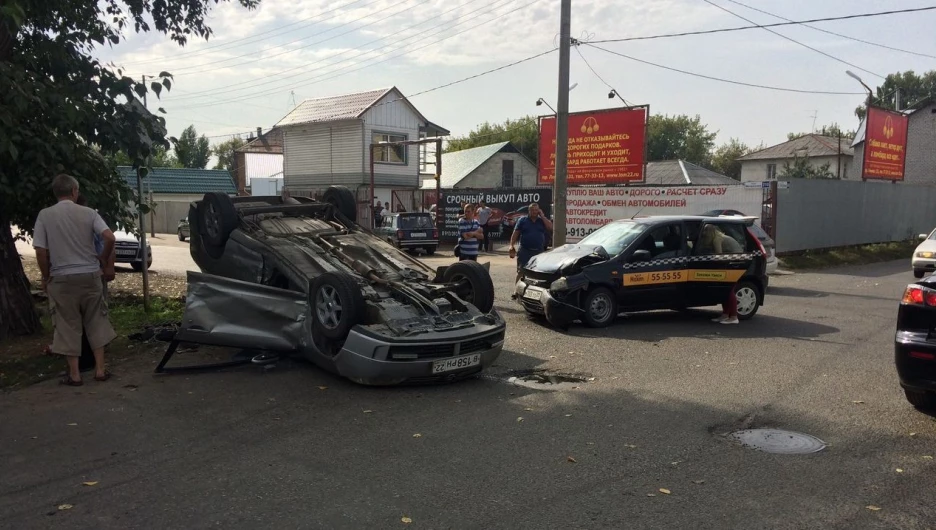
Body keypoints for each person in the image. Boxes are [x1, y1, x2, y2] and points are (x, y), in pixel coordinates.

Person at [33, 174, 117, 386]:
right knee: (96, 320)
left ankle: (75, 374)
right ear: (74, 191)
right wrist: (103, 259)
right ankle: (100, 370)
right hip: (89, 275)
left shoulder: (45, 215)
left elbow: (41, 250)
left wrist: (45, 275)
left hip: (61, 278)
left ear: (56, 192)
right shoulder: (89, 213)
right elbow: (110, 237)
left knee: (67, 324)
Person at [698, 225, 743, 325]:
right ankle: (725, 315)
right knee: (725, 290)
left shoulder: (717, 240)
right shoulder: (719, 237)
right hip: (733, 262)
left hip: (736, 264)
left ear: (710, 232)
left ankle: (734, 317)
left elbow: (719, 256)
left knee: (729, 291)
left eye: (705, 232)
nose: (704, 234)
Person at [509, 203, 553, 286]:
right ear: (529, 211)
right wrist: (511, 245)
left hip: (538, 251)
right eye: (532, 210)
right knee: (521, 271)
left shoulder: (541, 220)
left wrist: (542, 216)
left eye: (536, 210)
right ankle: (516, 292)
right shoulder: (522, 220)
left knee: (537, 272)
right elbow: (515, 234)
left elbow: (551, 228)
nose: (534, 212)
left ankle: (533, 290)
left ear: (539, 211)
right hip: (524, 250)